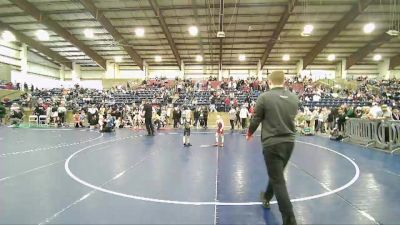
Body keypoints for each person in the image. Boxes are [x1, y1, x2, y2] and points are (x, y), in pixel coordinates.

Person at [246, 71, 298, 225]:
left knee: (279, 181)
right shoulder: (294, 98)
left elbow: (256, 118)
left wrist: (249, 132)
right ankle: (267, 197)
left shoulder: (265, 97)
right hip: (289, 142)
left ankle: (290, 221)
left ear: (269, 81)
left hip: (272, 144)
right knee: (277, 175)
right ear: (284, 81)